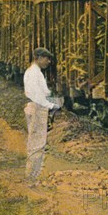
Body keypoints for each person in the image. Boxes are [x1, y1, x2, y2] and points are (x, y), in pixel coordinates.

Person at [24, 47, 61, 186]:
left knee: (37, 143)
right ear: (38, 58)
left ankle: (33, 177)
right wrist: (51, 105)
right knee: (36, 144)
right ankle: (31, 179)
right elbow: (37, 96)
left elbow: (43, 92)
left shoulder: (36, 72)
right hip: (37, 108)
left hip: (37, 108)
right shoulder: (34, 73)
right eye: (47, 58)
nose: (48, 62)